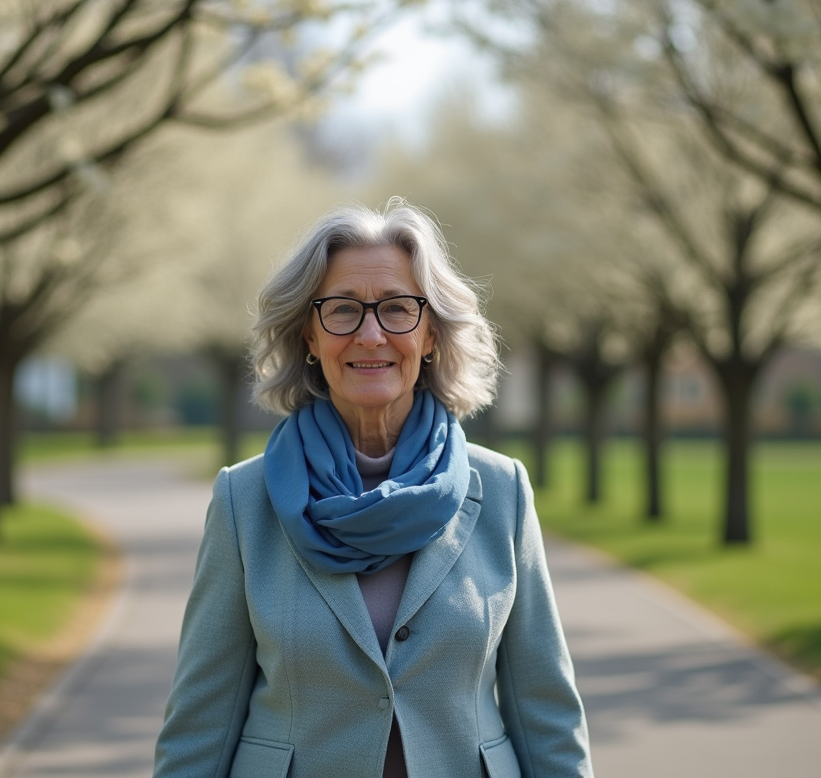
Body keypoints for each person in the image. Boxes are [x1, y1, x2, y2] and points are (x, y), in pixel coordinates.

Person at [153, 199, 593, 778]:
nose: (370, 334)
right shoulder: (244, 501)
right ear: (309, 335)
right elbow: (201, 722)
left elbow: (547, 715)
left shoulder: (502, 491)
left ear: (431, 333)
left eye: (397, 309)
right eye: (341, 310)